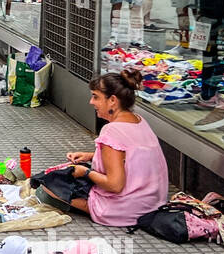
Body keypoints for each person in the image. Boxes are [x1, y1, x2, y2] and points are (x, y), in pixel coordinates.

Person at [42, 70, 168, 227]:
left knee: (48, 183)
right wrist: (91, 156)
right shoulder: (139, 121)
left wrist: (86, 172)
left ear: (113, 100)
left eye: (96, 97)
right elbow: (131, 157)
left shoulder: (111, 131)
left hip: (126, 210)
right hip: (153, 203)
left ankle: (93, 208)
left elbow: (115, 185)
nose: (91, 102)